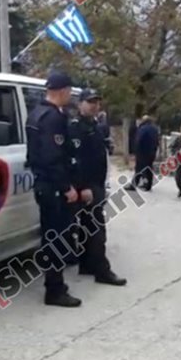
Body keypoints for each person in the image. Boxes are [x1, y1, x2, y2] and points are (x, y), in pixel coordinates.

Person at [25, 71, 81, 307]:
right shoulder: (53, 118)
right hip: (53, 187)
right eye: (69, 92)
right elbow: (53, 158)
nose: (70, 96)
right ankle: (55, 290)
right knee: (57, 239)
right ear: (63, 91)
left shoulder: (36, 113)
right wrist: (67, 187)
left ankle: (55, 285)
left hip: (43, 184)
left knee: (50, 237)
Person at [69, 88, 127, 286]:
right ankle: (102, 271)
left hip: (98, 183)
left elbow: (100, 156)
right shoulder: (75, 128)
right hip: (86, 186)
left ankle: (87, 264)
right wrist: (83, 187)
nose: (94, 105)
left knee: (88, 225)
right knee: (97, 229)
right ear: (80, 104)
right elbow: (77, 160)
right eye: (90, 101)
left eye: (97, 102)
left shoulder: (97, 126)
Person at [126, 115, 160, 191]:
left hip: (142, 152)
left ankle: (134, 184)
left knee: (139, 168)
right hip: (152, 152)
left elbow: (138, 140)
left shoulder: (143, 128)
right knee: (148, 168)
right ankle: (148, 185)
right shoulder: (155, 128)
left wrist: (135, 151)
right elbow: (157, 141)